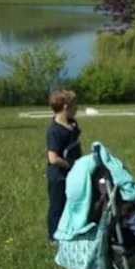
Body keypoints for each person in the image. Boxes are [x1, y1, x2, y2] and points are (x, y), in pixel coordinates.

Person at [46, 90, 82, 244]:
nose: (77, 108)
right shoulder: (54, 131)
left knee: (72, 203)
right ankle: (53, 237)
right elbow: (53, 158)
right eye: (75, 105)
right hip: (58, 176)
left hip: (72, 173)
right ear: (66, 106)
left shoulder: (72, 124)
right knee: (57, 206)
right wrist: (72, 164)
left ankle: (70, 230)